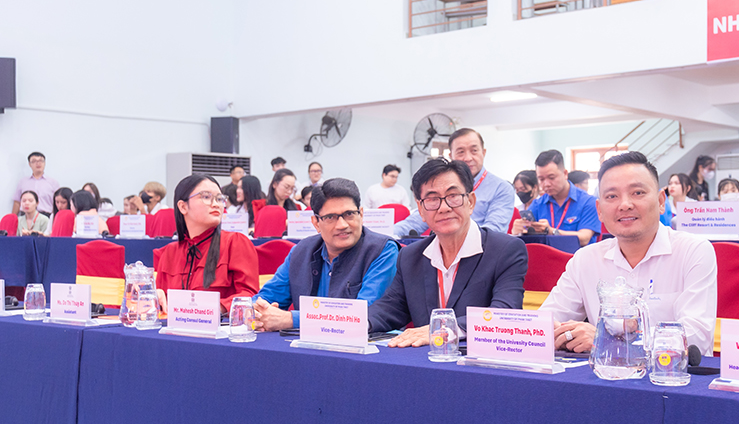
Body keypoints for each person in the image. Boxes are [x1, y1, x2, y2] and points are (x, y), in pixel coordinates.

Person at [539, 151, 717, 355]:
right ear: (599, 210)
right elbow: (543, 325)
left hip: (671, 374)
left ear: (661, 201)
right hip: (603, 374)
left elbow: (696, 338)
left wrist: (605, 340)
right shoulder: (585, 260)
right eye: (612, 196)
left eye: (637, 193)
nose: (625, 205)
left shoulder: (693, 251)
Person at [368, 158, 527, 348]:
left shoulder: (506, 250)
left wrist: (442, 331)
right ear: (421, 210)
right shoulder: (411, 256)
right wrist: (356, 323)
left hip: (476, 359)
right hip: (424, 360)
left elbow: (505, 313)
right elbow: (390, 307)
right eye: (432, 199)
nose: (444, 207)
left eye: (453, 196)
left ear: (471, 202)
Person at [252, 178, 400, 331]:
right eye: (330, 217)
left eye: (349, 214)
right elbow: (265, 299)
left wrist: (291, 320)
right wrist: (256, 313)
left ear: (361, 215)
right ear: (316, 223)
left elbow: (362, 315)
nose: (342, 225)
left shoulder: (382, 251)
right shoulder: (301, 251)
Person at [155, 174, 258, 313]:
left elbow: (250, 295)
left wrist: (212, 309)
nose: (216, 204)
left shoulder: (235, 242)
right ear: (183, 207)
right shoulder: (169, 252)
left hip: (221, 325)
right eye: (206, 197)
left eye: (219, 199)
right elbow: (162, 304)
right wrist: (156, 298)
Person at [393, 128, 515, 236]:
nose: (468, 158)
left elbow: (493, 231)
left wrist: (455, 239)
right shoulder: (441, 185)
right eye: (461, 152)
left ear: (483, 152)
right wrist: (386, 235)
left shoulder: (501, 188)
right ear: (451, 155)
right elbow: (414, 223)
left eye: (474, 151)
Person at [518, 150, 601, 246]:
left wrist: (552, 232)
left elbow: (584, 238)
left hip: (576, 255)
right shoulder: (537, 204)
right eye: (541, 179)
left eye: (551, 178)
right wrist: (519, 231)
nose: (546, 184)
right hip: (546, 255)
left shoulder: (588, 202)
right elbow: (528, 237)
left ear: (565, 174)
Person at [13, 152, 59, 216]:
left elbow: (57, 203)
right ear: (29, 164)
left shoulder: (53, 182)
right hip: (25, 216)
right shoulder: (23, 182)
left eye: (41, 161)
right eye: (34, 161)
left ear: (44, 163)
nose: (38, 163)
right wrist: (12, 218)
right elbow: (17, 202)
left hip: (46, 216)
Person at [509, 170, 540, 235]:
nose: (520, 193)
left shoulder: (543, 206)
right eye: (517, 190)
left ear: (535, 187)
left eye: (523, 189)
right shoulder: (517, 209)